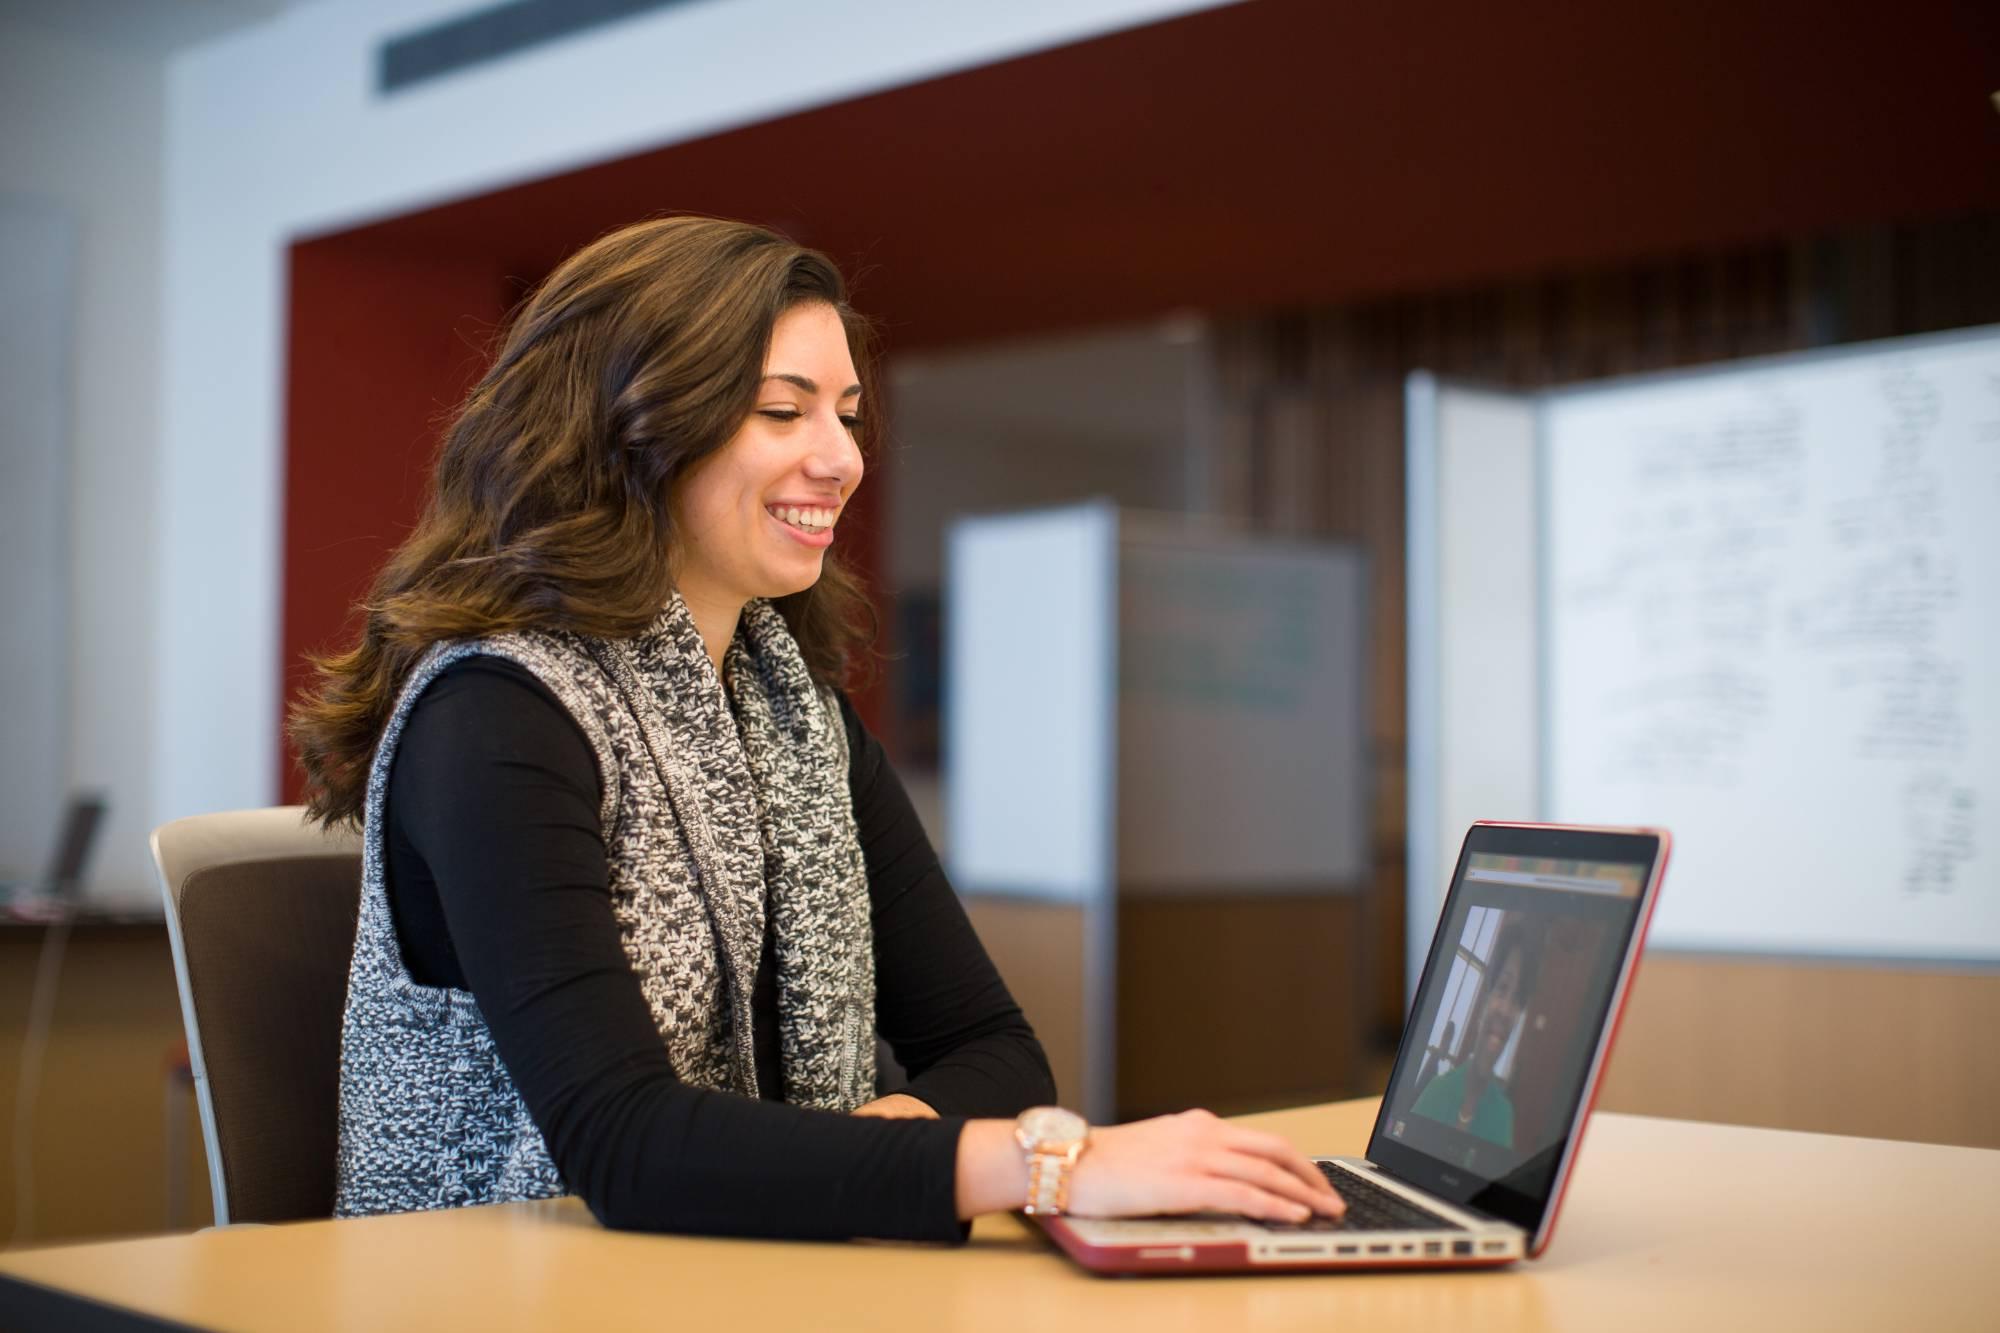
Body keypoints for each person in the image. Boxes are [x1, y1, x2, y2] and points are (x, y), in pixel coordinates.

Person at [291, 216, 1344, 1241]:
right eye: (781, 412)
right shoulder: (496, 716)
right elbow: (622, 1147)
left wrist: (889, 1152)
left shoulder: (796, 716)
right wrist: (1043, 1161)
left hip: (737, 1277)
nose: (841, 457)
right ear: (629, 427)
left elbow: (992, 1046)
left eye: (843, 412)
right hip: (484, 1289)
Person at [1411, 916, 1543, 1148]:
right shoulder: (1438, 1091)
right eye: (1502, 989)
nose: (1505, 1009)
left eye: (1517, 1000)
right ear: (1486, 998)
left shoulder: (1503, 1115)